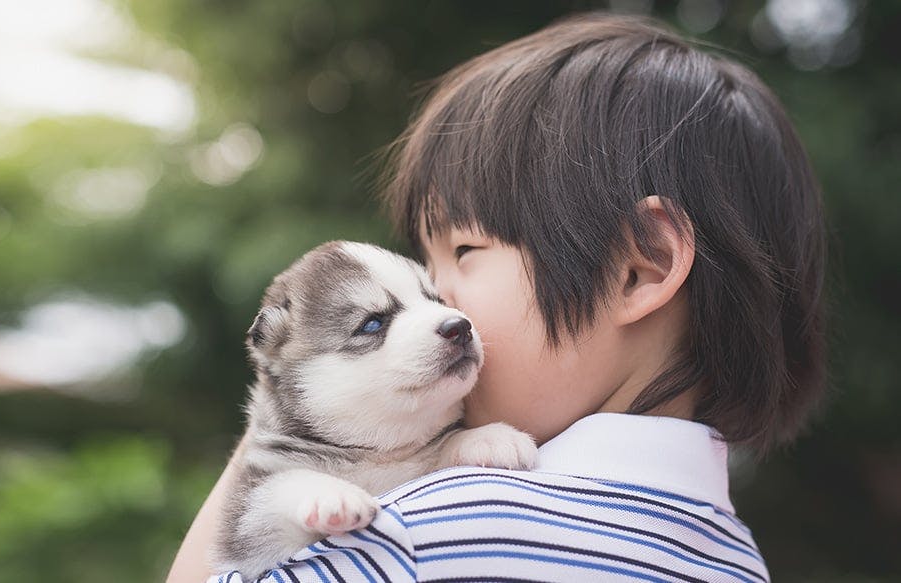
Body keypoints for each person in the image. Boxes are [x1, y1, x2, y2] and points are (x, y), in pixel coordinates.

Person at [168, 12, 827, 583]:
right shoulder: (735, 557)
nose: (438, 302)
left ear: (640, 266)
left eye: (463, 251)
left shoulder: (439, 530)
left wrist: (283, 416)